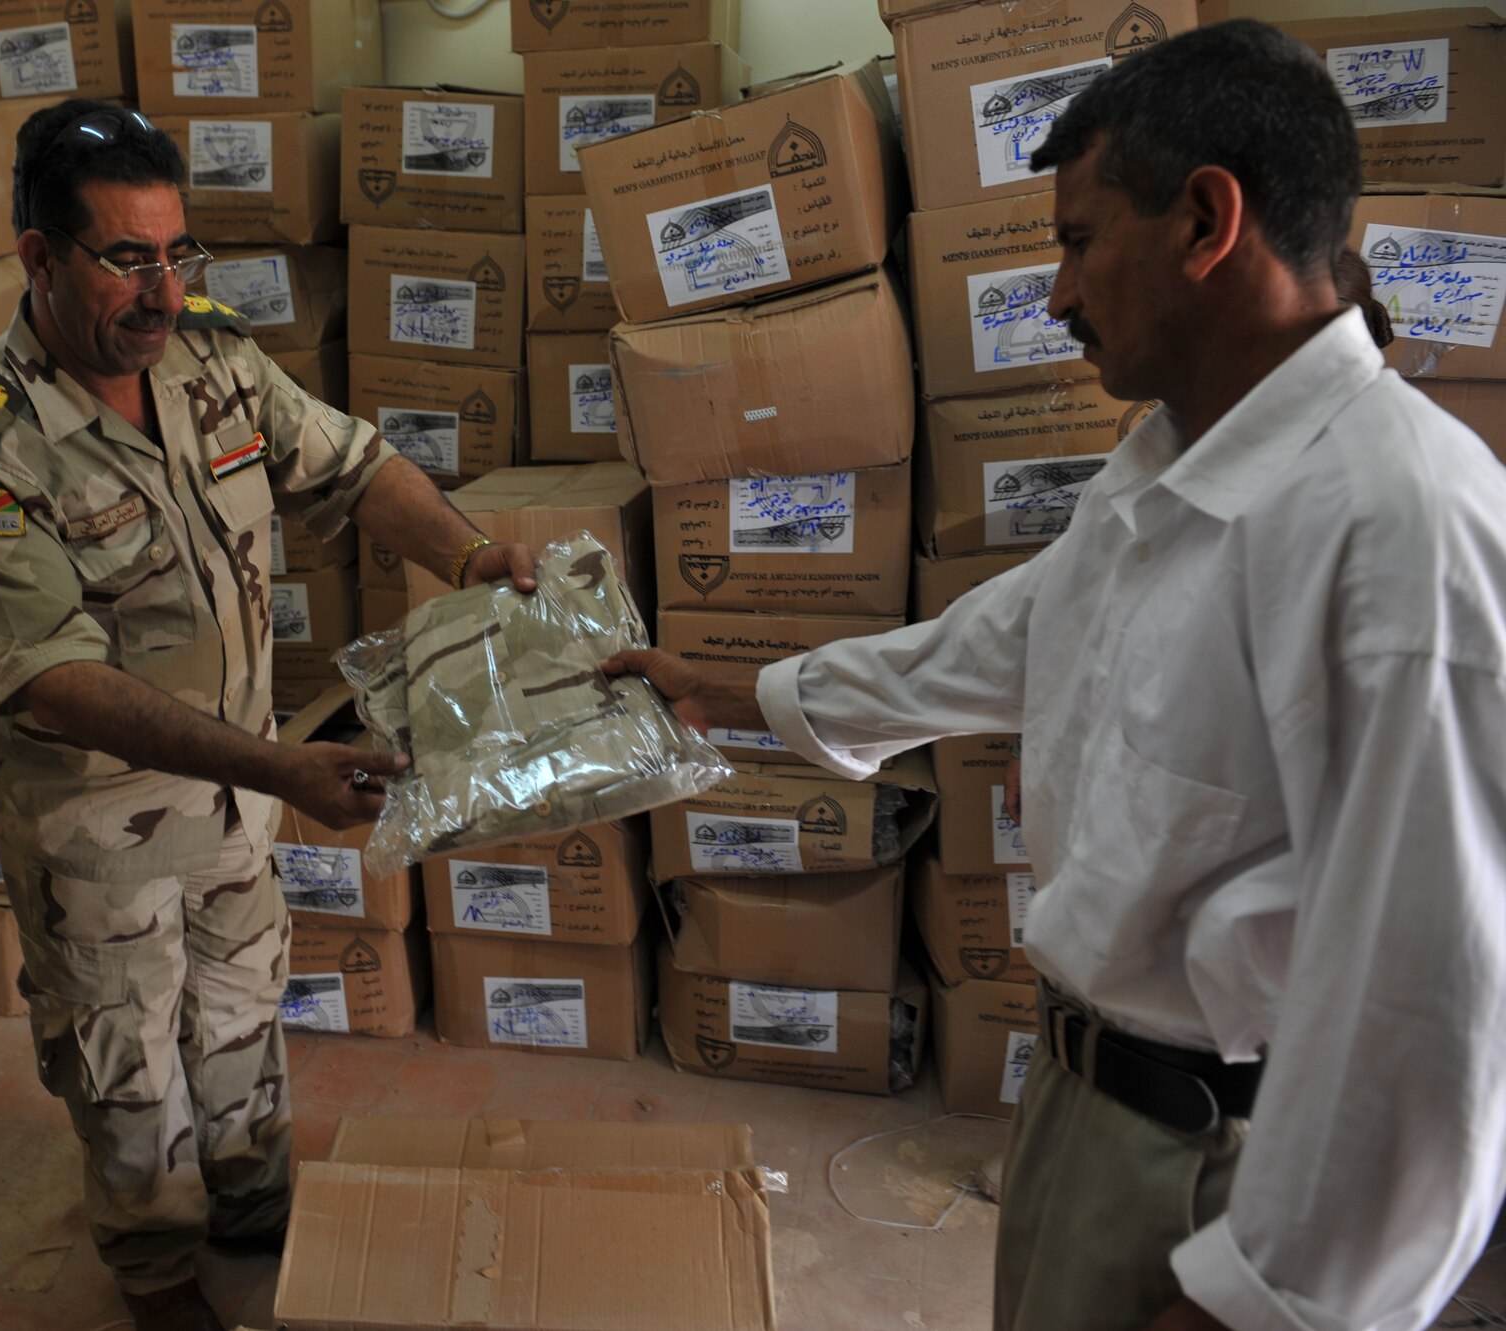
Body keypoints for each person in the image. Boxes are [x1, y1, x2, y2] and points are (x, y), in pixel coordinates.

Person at [609, 22, 1506, 1331]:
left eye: (1080, 241)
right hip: (1088, 1101)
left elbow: (1436, 1018)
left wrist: (1263, 1304)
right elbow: (1005, 638)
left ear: (1207, 219)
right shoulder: (1166, 471)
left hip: (1223, 1177)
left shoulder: (1400, 533)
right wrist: (727, 690)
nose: (1056, 295)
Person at [0, 99, 534, 1331]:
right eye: (126, 258)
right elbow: (49, 675)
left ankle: (255, 1209)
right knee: (127, 1056)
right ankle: (154, 1271)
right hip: (96, 822)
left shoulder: (207, 353)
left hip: (240, 789)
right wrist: (284, 763)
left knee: (245, 1008)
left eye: (175, 253)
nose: (160, 291)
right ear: (38, 257)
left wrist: (469, 559)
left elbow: (350, 466)